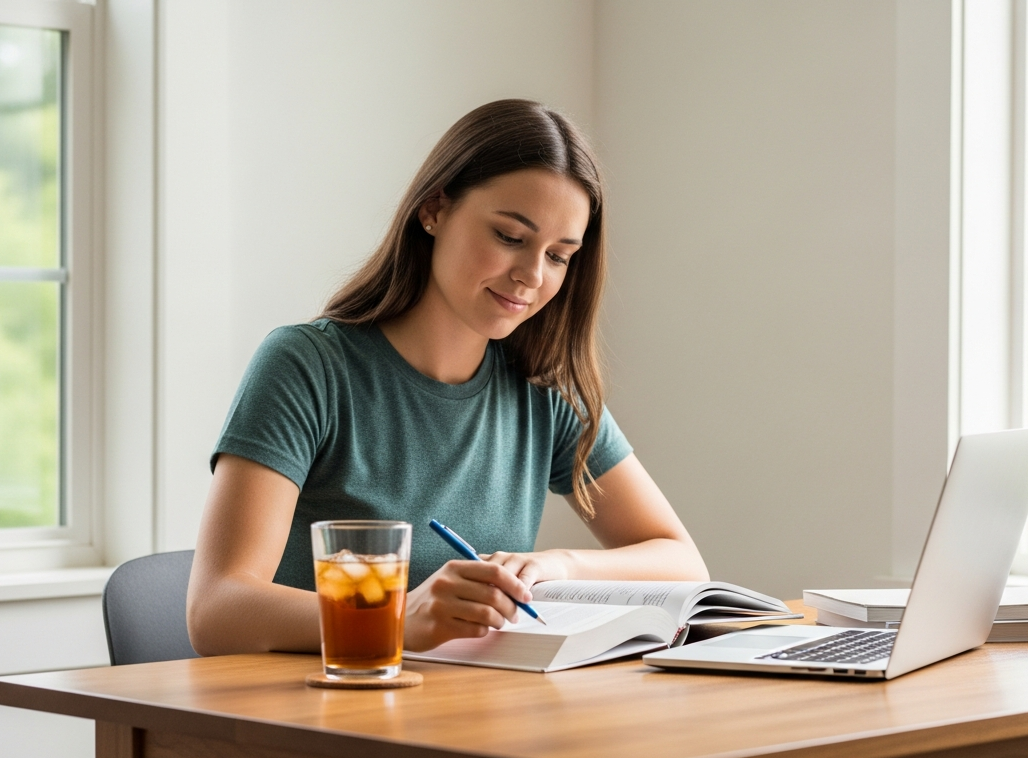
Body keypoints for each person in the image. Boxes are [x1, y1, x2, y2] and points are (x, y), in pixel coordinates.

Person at [186, 99, 709, 656]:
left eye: (559, 255)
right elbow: (216, 611)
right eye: (510, 236)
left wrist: (557, 564)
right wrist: (395, 616)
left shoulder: (543, 392)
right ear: (434, 210)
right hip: (316, 711)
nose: (532, 275)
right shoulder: (307, 366)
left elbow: (682, 563)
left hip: (463, 710)